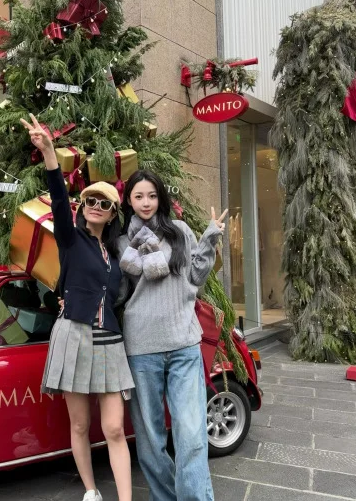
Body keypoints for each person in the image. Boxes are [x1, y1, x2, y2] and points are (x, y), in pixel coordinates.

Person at [20, 114, 135, 501]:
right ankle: (90, 491)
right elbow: (57, 196)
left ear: (113, 212)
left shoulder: (116, 253)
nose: (96, 206)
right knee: (81, 425)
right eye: (90, 201)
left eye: (105, 203)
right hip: (75, 335)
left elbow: (122, 292)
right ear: (82, 206)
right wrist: (49, 153)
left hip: (110, 341)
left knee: (114, 428)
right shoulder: (70, 239)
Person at [116, 169, 227, 501]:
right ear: (129, 200)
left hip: (183, 345)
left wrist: (210, 238)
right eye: (139, 196)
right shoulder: (121, 243)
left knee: (191, 434)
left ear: (160, 198)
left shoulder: (179, 231)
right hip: (141, 347)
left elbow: (195, 277)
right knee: (150, 439)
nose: (146, 202)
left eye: (152, 195)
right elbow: (118, 295)